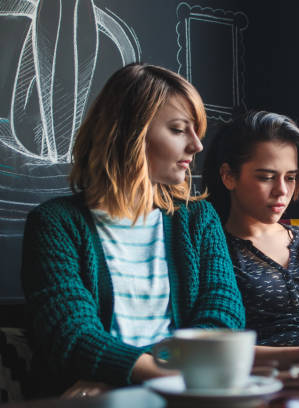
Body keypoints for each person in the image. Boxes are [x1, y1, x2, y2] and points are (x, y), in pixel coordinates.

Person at [20, 63, 245, 398]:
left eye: (196, 131)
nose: (197, 146)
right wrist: (150, 372)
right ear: (130, 132)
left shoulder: (199, 219)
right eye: (179, 129)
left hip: (176, 394)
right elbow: (72, 333)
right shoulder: (55, 224)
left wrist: (126, 374)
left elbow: (223, 319)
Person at [202, 110, 299, 368]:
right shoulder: (216, 251)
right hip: (268, 378)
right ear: (229, 176)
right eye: (266, 177)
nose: (282, 191)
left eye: (291, 177)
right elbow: (211, 346)